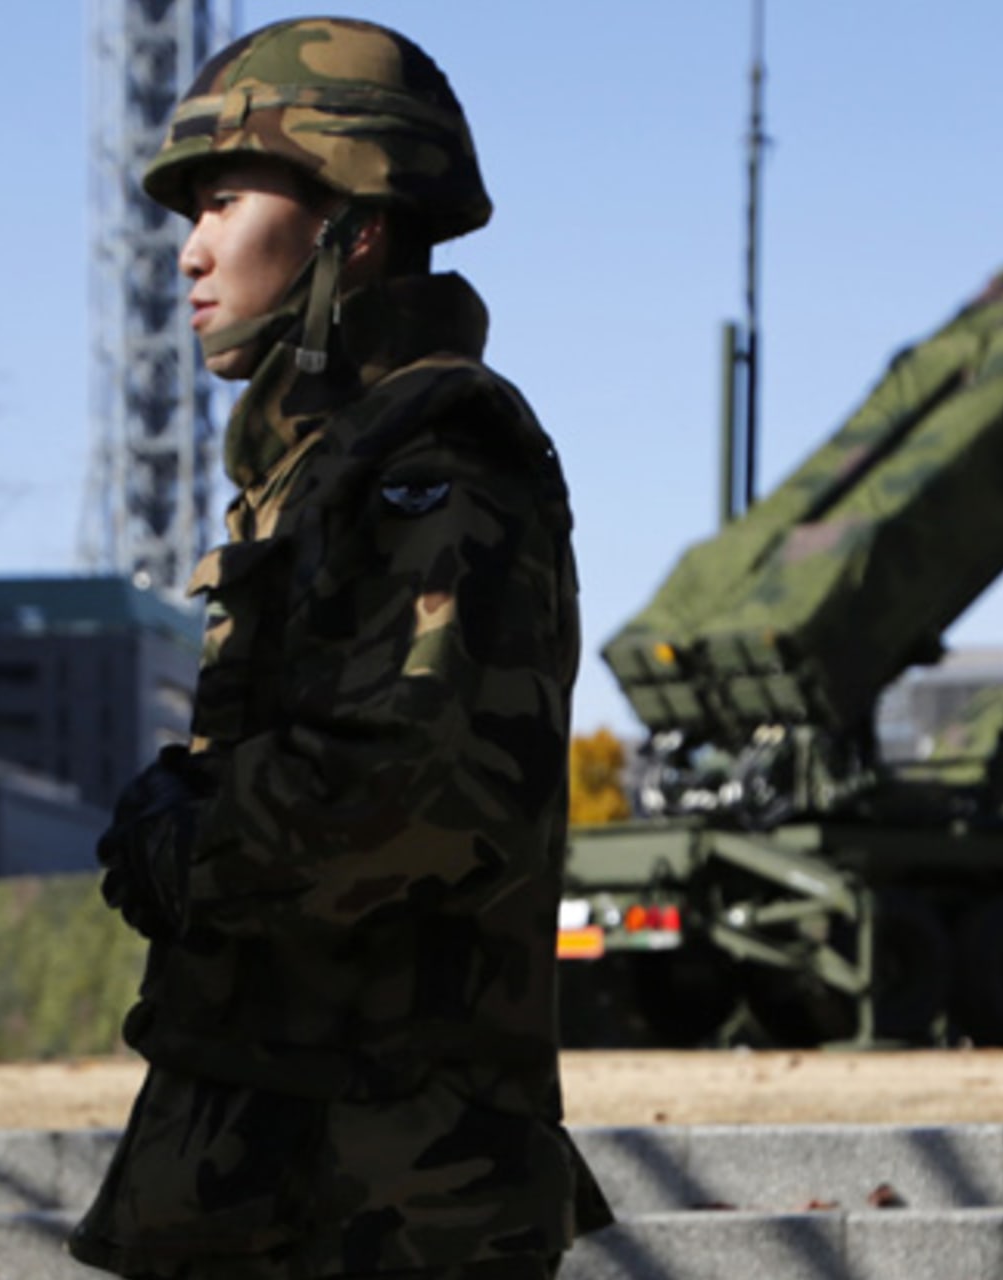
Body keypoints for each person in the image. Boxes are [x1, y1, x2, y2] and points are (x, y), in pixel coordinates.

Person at [70, 16, 611, 1279]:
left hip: (388, 1188)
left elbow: (406, 788)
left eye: (224, 200)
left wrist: (182, 836)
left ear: (351, 226)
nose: (192, 250)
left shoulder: (442, 466)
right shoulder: (322, 468)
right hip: (276, 1165)